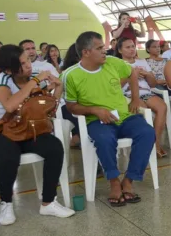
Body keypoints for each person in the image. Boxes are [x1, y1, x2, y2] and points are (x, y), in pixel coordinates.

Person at [63, 32, 156, 207]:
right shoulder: (71, 75)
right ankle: (114, 181)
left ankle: (129, 180)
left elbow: (132, 74)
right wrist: (95, 110)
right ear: (86, 52)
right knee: (104, 139)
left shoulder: (113, 63)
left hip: (124, 116)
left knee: (147, 132)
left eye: (104, 47)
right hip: (96, 120)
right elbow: (71, 106)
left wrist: (135, 98)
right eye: (99, 48)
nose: (105, 51)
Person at [0, 44, 75, 225]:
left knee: (54, 147)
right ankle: (6, 202)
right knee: (9, 156)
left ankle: (48, 202)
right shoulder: (2, 80)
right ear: (9, 69)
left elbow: (49, 105)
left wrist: (57, 88)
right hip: (0, 128)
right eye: (22, 63)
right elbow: (10, 106)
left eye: (27, 59)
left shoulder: (33, 77)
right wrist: (34, 83)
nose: (28, 65)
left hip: (26, 126)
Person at [117, 38, 168, 158]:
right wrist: (131, 74)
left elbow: (153, 84)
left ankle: (155, 143)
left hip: (146, 92)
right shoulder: (118, 65)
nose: (131, 50)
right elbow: (117, 86)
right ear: (120, 50)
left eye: (133, 47)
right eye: (127, 47)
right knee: (144, 111)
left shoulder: (142, 62)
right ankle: (145, 144)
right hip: (128, 94)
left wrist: (147, 74)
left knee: (162, 107)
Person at [60, 43, 81, 148]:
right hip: (66, 105)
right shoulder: (67, 72)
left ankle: (78, 137)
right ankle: (79, 138)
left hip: (81, 103)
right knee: (80, 112)